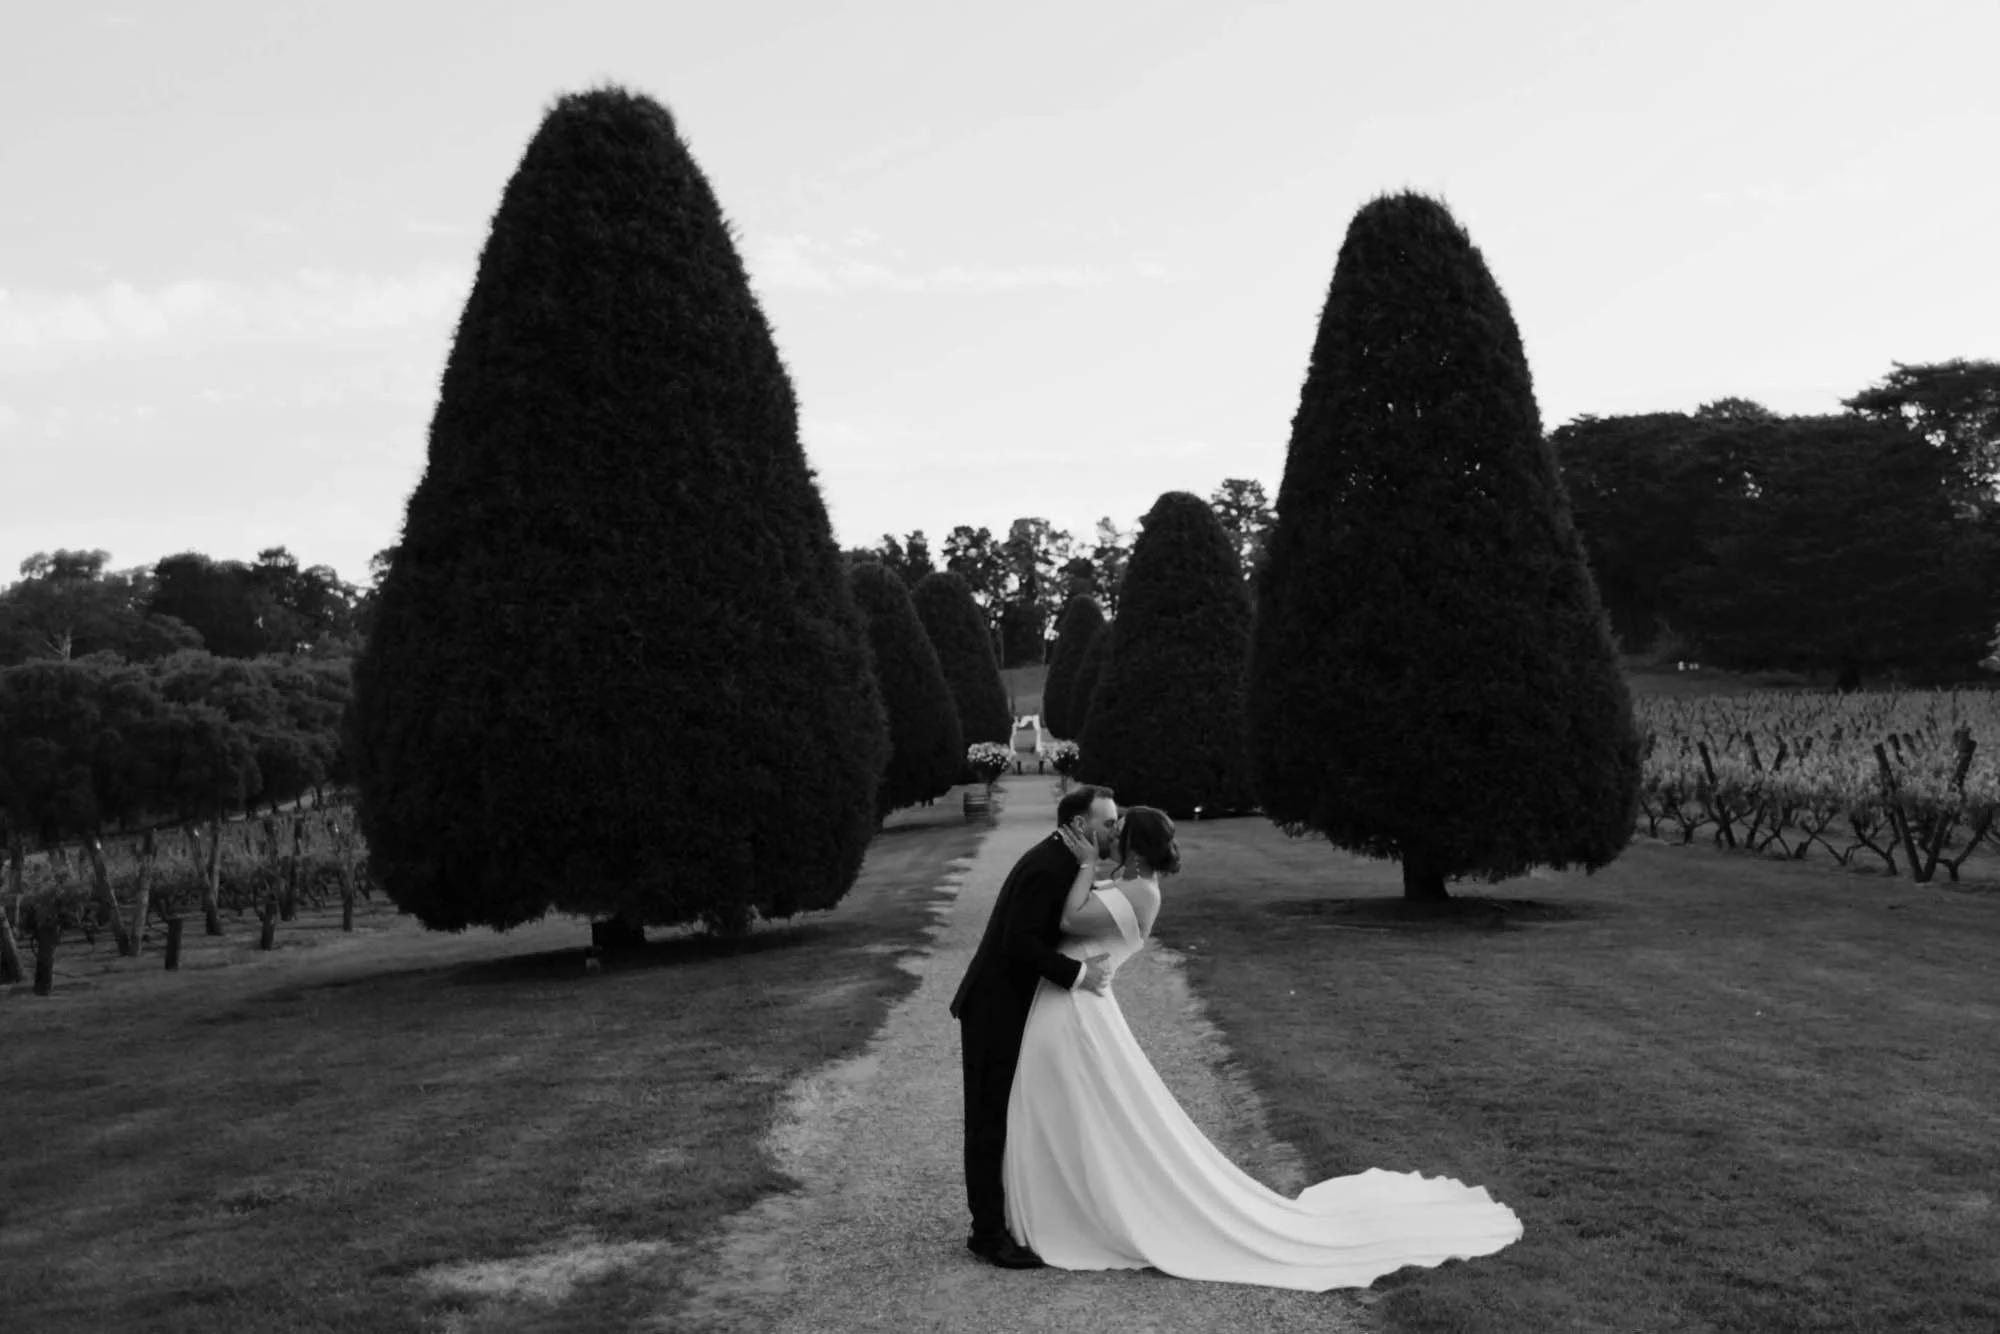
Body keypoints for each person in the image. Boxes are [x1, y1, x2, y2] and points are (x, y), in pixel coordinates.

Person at [1003, 805, 1524, 1291]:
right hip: (1074, 1002)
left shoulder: (1140, 893)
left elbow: (1070, 921)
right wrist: (1091, 869)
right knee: (1070, 1106)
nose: (1111, 837)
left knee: (1082, 1106)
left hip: (1081, 1008)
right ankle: (1064, 1201)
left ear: (1135, 848)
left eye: (1120, 833)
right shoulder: (1131, 882)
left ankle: (1078, 1212)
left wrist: (1086, 865)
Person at [949, 784, 1120, 1268]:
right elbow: (1018, 943)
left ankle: (1010, 1214)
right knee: (988, 1119)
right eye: (1108, 822)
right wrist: (1080, 975)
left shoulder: (1064, 862)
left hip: (1011, 1005)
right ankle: (987, 1234)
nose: (1114, 829)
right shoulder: (1048, 868)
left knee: (1009, 1114)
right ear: (1082, 825)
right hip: (993, 1008)